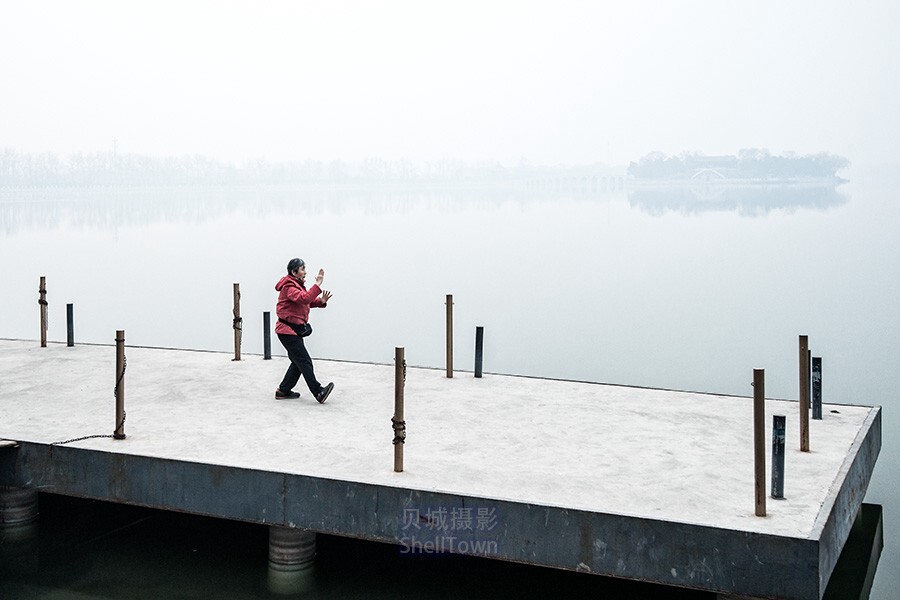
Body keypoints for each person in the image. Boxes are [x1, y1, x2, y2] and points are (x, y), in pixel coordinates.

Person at [274, 257, 334, 403]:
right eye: (303, 269)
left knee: (297, 362)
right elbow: (304, 298)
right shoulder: (289, 286)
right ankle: (318, 391)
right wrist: (318, 284)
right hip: (287, 331)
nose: (305, 272)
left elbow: (305, 302)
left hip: (292, 330)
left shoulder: (296, 285)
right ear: (294, 272)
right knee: (304, 361)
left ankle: (283, 390)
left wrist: (321, 302)